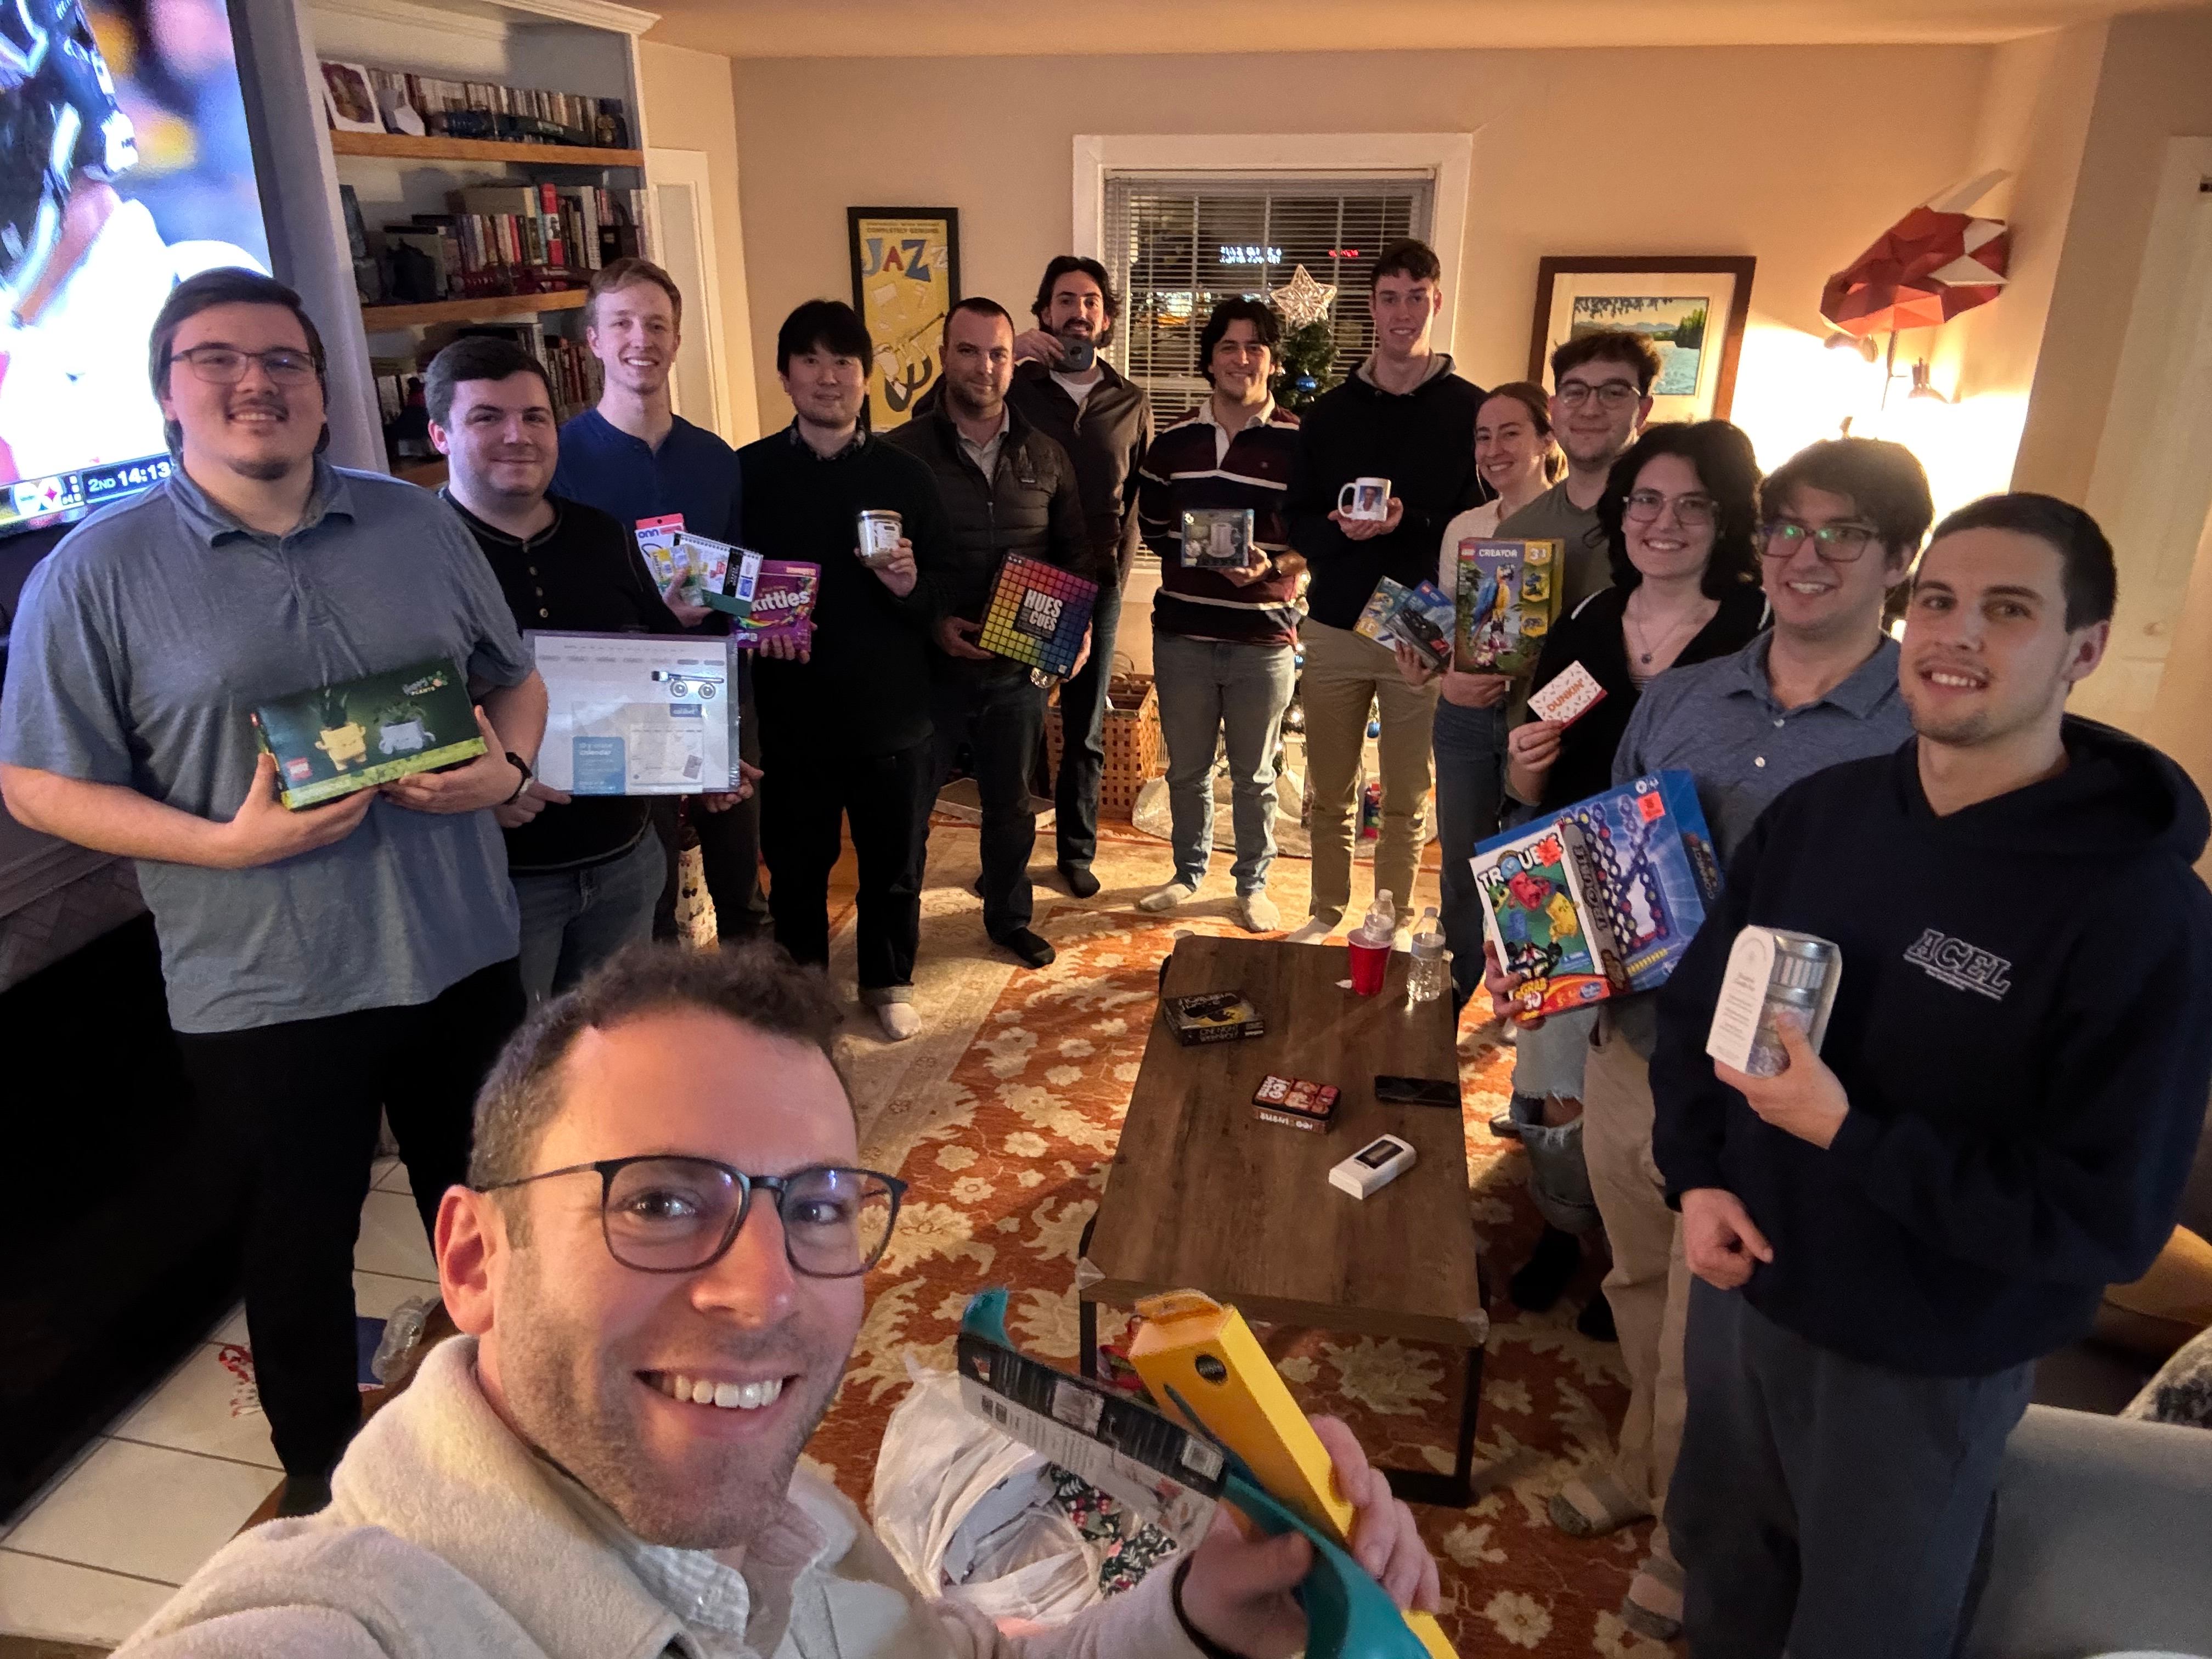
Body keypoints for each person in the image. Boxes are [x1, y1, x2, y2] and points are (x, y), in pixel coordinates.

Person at [113, 943, 1444, 1657]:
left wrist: (1196, 1616)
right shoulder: (346, 1620)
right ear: (472, 1261)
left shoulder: (803, 1518)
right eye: (658, 1201)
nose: (761, 1295)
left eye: (815, 1207)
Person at [0, 268, 544, 1514]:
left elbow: (512, 677)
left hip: (460, 946)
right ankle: (325, 1491)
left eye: (285, 360)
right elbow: (35, 783)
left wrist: (506, 768)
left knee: (496, 1211)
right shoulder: (93, 572)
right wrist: (224, 845)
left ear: (323, 389)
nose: (256, 382)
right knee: (298, 1249)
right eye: (218, 360)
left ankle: (519, 1420)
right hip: (266, 985)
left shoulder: (415, 525)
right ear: (167, 395)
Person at [1651, 492, 2212, 1657]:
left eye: (2007, 610)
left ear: (2084, 649)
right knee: (1725, 1578)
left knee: (1866, 1633)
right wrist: (1697, 1177)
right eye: (1942, 602)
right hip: (1744, 1288)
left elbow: (2103, 1220)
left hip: (1922, 1358)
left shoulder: (2141, 911)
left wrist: (1848, 1133)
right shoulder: (1824, 814)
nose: (1956, 633)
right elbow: (1704, 1007)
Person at [1535, 436, 1933, 1642]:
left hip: (1783, 1081)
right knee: (1637, 1272)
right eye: (1787, 529)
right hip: (1639, 1042)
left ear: (1897, 560)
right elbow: (1609, 857)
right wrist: (1554, 953)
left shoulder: (1922, 721)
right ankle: (1646, 1467)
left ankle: (1685, 1536)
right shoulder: (1683, 696)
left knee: (1718, 1317)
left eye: (1843, 533)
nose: (1806, 555)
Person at [426, 334, 750, 1002]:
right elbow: (401, 711)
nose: (518, 436)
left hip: (626, 860)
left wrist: (705, 750)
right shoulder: (414, 553)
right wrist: (481, 784)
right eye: (487, 417)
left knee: (615, 1040)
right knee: (515, 1055)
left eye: (535, 417)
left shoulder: (603, 534)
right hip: (499, 878)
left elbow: (655, 661)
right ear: (440, 435)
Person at [739, 300, 950, 1042]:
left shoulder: (908, 476)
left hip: (892, 711)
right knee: (797, 867)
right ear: (785, 376)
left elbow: (943, 595)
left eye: (844, 363)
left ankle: (889, 980)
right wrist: (754, 624)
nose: (828, 377)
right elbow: (726, 586)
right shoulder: (749, 474)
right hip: (790, 712)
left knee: (894, 862)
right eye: (810, 361)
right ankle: (804, 995)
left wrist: (909, 586)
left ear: (866, 378)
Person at [550, 257, 768, 947]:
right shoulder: (558, 458)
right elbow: (556, 601)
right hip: (616, 704)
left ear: (677, 340)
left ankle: (751, 1007)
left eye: (656, 325)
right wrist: (652, 620)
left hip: (717, 689)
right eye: (622, 323)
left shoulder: (716, 458)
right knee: (646, 895)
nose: (640, 339)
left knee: (742, 881)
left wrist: (773, 618)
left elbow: (739, 584)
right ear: (593, 340)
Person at [1284, 238, 1486, 941]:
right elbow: (1295, 520)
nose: (1403, 312)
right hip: (1336, 626)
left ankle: (1390, 917)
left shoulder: (1471, 411)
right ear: (1371, 306)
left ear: (1437, 301)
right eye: (1389, 298)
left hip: (1422, 628)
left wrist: (1412, 521)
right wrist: (1339, 530)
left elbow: (1481, 523)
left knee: (1406, 794)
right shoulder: (1327, 415)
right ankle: (1325, 911)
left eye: (1416, 297)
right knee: (1329, 791)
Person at [888, 298, 1092, 970]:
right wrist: (932, 623)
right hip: (926, 674)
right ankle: (894, 944)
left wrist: (1078, 630)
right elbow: (880, 567)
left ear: (1014, 362)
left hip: (1014, 673)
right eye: (969, 351)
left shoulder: (1047, 455)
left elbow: (1075, 554)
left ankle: (1009, 920)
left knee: (1011, 809)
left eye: (998, 353)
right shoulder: (901, 455)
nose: (984, 366)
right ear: (944, 357)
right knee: (907, 816)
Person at [1132, 296, 1304, 931]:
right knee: (1187, 771)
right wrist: (1200, 552)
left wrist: (1271, 566)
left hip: (1265, 638)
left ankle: (1252, 885)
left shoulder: (1301, 442)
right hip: (1183, 634)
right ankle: (1186, 874)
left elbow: (1317, 538)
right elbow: (1154, 528)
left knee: (1257, 776)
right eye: (1229, 346)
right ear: (1210, 359)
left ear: (1273, 361)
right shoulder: (1174, 441)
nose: (1241, 358)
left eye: (1255, 346)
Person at [1401, 381, 1559, 1006]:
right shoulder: (1464, 528)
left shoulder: (1576, 525)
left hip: (1539, 724)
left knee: (1532, 869)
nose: (1493, 450)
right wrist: (1431, 670)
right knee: (1461, 868)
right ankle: (1452, 995)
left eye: (1510, 433)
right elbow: (1449, 630)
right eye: (1483, 436)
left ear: (1547, 439)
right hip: (1464, 719)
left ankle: (1531, 996)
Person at [1008, 255, 1153, 899]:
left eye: (1091, 301)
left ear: (1107, 317)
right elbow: (936, 419)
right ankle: (1008, 853)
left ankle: (1076, 850)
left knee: (1086, 725)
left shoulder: (1130, 400)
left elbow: (1140, 499)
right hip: (1029, 580)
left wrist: (1116, 574)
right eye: (1066, 299)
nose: (1079, 311)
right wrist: (1012, 354)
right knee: (1019, 724)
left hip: (1099, 580)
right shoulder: (1013, 386)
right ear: (1045, 312)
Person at [1497, 331, 1661, 611]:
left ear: (1643, 410)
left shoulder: (1670, 526)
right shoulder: (1515, 534)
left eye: (1613, 393)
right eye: (1574, 393)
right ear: (1553, 410)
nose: (1590, 410)